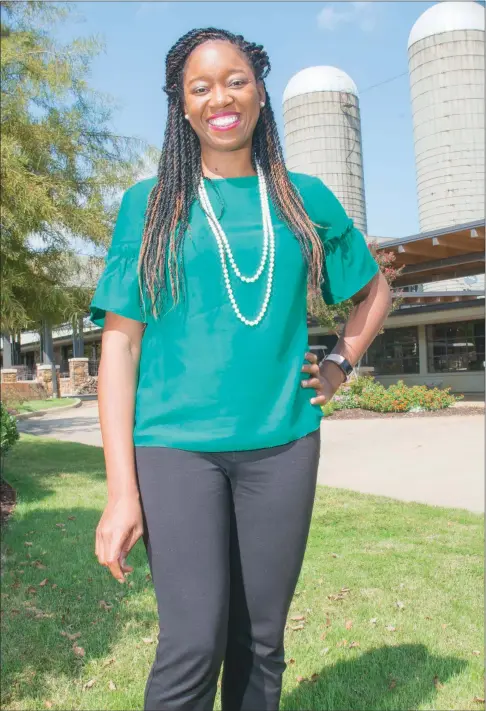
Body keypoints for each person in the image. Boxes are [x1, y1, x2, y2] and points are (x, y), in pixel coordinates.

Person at [92, 27, 392, 711]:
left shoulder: (301, 197)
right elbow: (121, 346)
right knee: (193, 640)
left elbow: (373, 290)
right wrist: (120, 490)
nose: (219, 97)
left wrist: (341, 361)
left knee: (260, 640)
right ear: (181, 105)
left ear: (259, 88)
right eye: (199, 87)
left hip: (283, 446)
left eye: (234, 79)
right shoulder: (152, 205)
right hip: (176, 448)